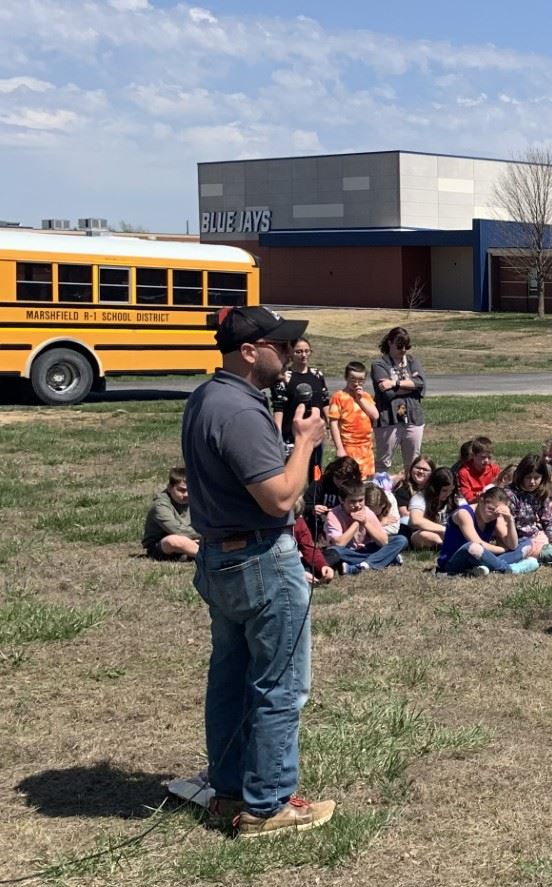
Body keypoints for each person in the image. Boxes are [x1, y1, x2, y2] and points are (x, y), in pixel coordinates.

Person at [179, 305, 334, 836]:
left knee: (230, 676)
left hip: (222, 557)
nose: (290, 355)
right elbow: (279, 497)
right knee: (279, 685)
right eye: (281, 346)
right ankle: (267, 804)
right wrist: (307, 442)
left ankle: (227, 791)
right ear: (249, 352)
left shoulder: (209, 397)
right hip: (260, 561)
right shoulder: (241, 412)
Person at [437, 486, 539, 576]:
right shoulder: (464, 513)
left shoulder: (495, 517)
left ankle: (485, 568)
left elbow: (512, 545)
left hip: (479, 557)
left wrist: (510, 520)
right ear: (481, 500)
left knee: (526, 543)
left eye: (497, 511)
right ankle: (510, 569)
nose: (493, 514)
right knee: (473, 547)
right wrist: (503, 549)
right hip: (453, 561)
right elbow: (477, 542)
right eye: (490, 509)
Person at [370, 327, 425, 483]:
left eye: (406, 347)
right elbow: (386, 393)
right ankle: (380, 491)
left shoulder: (413, 361)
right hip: (389, 418)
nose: (403, 350)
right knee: (383, 460)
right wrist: (410, 387)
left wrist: (394, 383)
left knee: (413, 462)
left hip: (413, 416)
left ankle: (409, 492)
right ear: (389, 343)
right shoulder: (379, 364)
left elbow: (421, 384)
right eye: (399, 346)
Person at [271, 338, 328, 483]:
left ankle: (312, 502)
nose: (303, 355)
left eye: (306, 351)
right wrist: (277, 436)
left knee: (315, 472)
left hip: (315, 433)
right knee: (292, 475)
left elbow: (325, 401)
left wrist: (330, 425)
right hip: (291, 435)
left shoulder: (317, 375)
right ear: (291, 354)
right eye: (299, 352)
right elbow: (279, 408)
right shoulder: (284, 378)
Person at [325, 484, 408, 574]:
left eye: (361, 500)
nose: (357, 505)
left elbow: (384, 542)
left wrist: (365, 523)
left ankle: (363, 566)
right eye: (352, 502)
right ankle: (387, 558)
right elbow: (339, 544)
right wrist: (356, 523)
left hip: (366, 549)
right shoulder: (334, 514)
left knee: (401, 540)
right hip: (347, 552)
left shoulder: (368, 511)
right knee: (334, 553)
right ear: (342, 500)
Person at [325, 362, 378, 480]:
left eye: (360, 380)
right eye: (353, 379)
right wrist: (339, 448)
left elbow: (375, 415)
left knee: (366, 480)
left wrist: (360, 399)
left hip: (366, 447)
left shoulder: (366, 396)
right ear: (346, 378)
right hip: (349, 446)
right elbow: (333, 423)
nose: (356, 383)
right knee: (350, 478)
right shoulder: (339, 397)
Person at [143, 468, 199, 561]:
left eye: (190, 490)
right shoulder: (160, 505)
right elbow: (177, 530)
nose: (186, 494)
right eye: (181, 490)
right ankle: (210, 557)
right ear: (169, 488)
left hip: (194, 537)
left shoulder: (196, 500)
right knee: (173, 541)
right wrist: (205, 535)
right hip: (162, 545)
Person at [455, 436, 500, 503]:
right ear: (473, 455)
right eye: (483, 457)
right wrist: (479, 499)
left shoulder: (494, 469)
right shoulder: (464, 472)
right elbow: (467, 495)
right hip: (474, 503)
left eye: (489, 457)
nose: (486, 461)